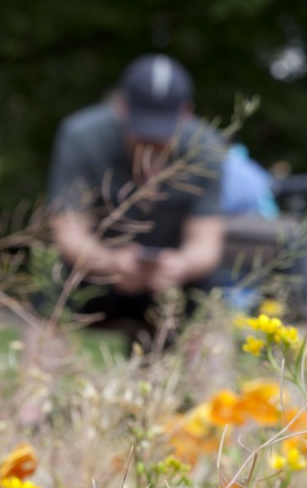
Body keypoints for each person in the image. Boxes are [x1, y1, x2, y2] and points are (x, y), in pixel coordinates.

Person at [44, 54, 227, 338]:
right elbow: (68, 231)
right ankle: (37, 381)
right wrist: (107, 263)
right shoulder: (82, 136)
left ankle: (214, 384)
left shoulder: (207, 146)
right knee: (49, 284)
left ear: (186, 114)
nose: (152, 144)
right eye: (142, 133)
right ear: (121, 106)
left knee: (211, 296)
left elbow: (206, 244)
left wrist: (181, 266)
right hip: (97, 275)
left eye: (162, 133)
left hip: (171, 283)